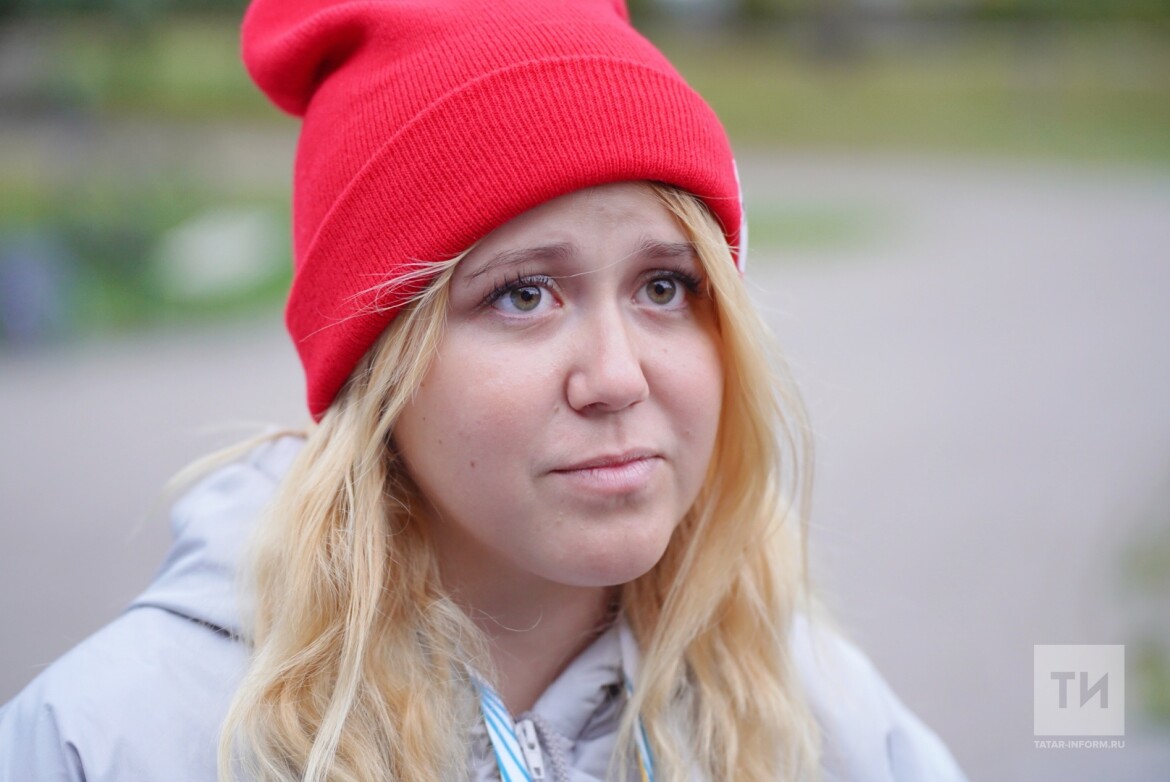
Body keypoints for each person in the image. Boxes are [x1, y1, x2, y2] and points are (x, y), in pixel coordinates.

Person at [0, 1, 968, 780]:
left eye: (666, 287)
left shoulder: (804, 710)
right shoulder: (115, 742)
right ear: (377, 361)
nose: (617, 376)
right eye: (523, 294)